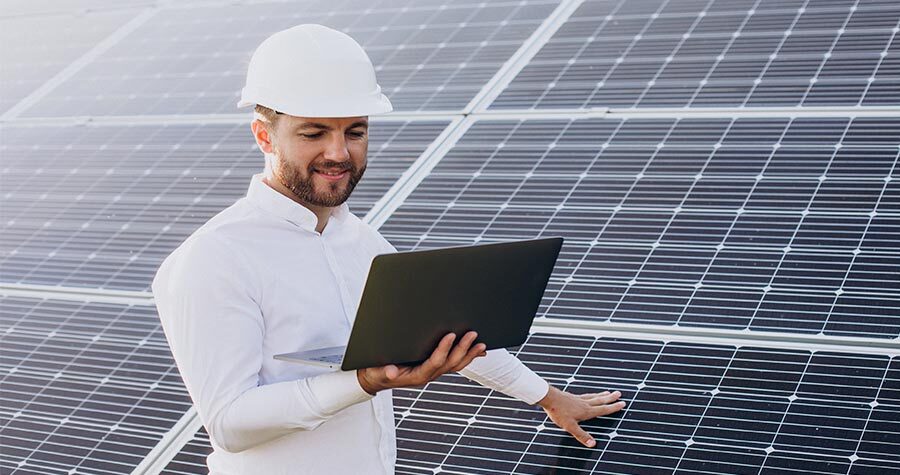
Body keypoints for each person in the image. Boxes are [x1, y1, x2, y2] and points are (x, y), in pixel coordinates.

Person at [151, 24, 624, 474]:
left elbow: (453, 332)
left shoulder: (360, 241)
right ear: (263, 135)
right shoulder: (212, 260)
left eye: (354, 131)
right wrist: (363, 383)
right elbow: (229, 424)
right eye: (314, 133)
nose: (339, 153)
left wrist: (546, 396)